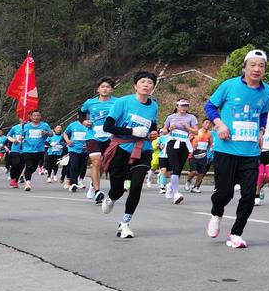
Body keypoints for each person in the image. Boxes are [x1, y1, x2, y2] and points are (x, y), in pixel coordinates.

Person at [204, 50, 269, 249]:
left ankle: (236, 233)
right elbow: (210, 107)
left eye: (261, 66)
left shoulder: (266, 90)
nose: (256, 69)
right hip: (226, 149)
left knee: (249, 195)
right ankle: (217, 213)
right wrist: (220, 124)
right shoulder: (229, 85)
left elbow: (263, 114)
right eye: (252, 65)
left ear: (264, 70)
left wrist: (261, 131)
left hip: (251, 152)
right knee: (224, 193)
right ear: (244, 67)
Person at [100, 71, 161, 238]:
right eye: (143, 82)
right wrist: (131, 130)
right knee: (118, 190)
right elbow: (108, 127)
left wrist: (154, 133)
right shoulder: (122, 102)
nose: (146, 85)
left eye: (150, 82)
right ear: (135, 85)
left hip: (143, 149)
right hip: (121, 148)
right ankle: (111, 198)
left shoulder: (154, 106)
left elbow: (153, 126)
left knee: (136, 186)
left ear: (153, 87)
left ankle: (125, 223)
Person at [80, 78, 118, 204]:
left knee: (103, 164)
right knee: (96, 162)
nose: (105, 89)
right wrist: (84, 121)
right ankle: (97, 191)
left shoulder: (118, 102)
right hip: (93, 136)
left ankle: (93, 184)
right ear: (98, 89)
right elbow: (81, 112)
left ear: (112, 89)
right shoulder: (90, 102)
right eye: (102, 86)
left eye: (108, 87)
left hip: (110, 137)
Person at [161, 99, 198, 204]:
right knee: (175, 168)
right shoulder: (170, 117)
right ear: (177, 106)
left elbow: (196, 131)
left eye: (186, 105)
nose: (184, 107)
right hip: (172, 143)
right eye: (182, 105)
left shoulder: (191, 117)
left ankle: (170, 186)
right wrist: (169, 129)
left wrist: (187, 127)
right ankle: (176, 193)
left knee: (179, 169)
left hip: (184, 144)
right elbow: (163, 131)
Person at [17, 110, 52, 192]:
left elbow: (51, 134)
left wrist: (46, 133)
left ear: (40, 117)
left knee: (33, 167)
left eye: (38, 115)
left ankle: (27, 174)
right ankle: (28, 183)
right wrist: (21, 138)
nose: (36, 117)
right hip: (27, 149)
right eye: (34, 115)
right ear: (30, 117)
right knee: (29, 165)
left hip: (39, 150)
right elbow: (21, 137)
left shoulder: (44, 125)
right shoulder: (26, 126)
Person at [61, 117, 91, 191]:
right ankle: (73, 183)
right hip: (73, 148)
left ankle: (76, 180)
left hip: (84, 150)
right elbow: (65, 133)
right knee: (74, 164)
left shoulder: (90, 125)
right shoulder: (73, 125)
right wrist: (68, 141)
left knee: (81, 166)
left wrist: (89, 144)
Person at [185, 119, 213, 193]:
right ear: (202, 124)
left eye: (209, 123)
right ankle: (188, 181)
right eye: (206, 122)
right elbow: (187, 141)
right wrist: (191, 148)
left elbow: (210, 144)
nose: (208, 124)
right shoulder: (196, 132)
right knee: (194, 171)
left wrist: (211, 148)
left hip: (203, 154)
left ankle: (196, 187)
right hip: (193, 154)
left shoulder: (209, 134)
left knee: (201, 172)